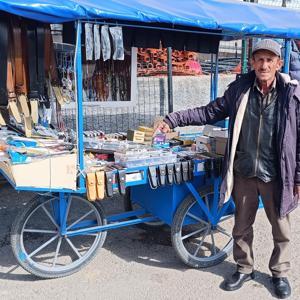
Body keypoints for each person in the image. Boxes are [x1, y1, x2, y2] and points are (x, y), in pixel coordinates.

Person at [156, 39, 300, 299]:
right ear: (252, 62)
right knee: (241, 226)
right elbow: (210, 112)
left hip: (276, 174)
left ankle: (279, 272)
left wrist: (298, 177)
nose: (264, 64)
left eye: (270, 60)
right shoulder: (240, 90)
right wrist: (173, 119)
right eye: (259, 59)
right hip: (243, 171)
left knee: (281, 229)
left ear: (279, 63)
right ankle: (244, 268)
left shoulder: (291, 95)